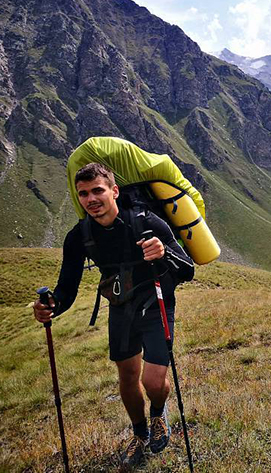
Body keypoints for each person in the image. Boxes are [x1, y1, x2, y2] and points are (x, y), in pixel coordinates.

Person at [33, 163, 195, 468]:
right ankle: (139, 433)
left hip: (156, 300)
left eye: (98, 190)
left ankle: (158, 414)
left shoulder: (148, 223)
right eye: (84, 193)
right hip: (121, 307)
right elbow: (66, 288)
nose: (91, 198)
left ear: (114, 191)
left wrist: (164, 252)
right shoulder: (79, 236)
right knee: (127, 377)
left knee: (153, 380)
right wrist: (49, 307)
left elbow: (188, 269)